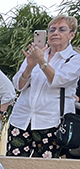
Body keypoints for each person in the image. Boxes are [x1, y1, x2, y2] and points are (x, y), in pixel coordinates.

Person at [7, 15, 80, 158]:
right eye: (52, 29)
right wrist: (29, 67)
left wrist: (41, 61)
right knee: (15, 166)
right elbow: (19, 85)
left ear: (72, 35)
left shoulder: (74, 58)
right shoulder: (36, 55)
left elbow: (59, 80)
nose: (55, 33)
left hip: (51, 122)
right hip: (22, 119)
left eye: (61, 29)